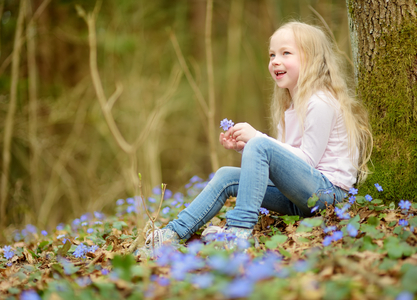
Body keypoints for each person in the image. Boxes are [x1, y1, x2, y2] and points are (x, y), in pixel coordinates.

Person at [138, 21, 372, 256]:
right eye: (272, 55)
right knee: (226, 176)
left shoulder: (320, 102)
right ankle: (171, 234)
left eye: (285, 53)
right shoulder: (290, 106)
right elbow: (284, 161)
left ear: (311, 59)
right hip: (300, 195)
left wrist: (257, 140)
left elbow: (307, 161)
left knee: (260, 144)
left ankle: (238, 231)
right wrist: (246, 147)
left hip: (328, 195)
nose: (275, 61)